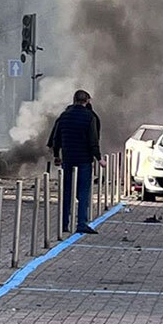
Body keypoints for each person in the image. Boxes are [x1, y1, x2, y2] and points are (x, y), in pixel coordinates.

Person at [48, 90, 105, 234]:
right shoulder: (89, 117)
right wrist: (99, 158)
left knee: (67, 191)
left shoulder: (64, 116)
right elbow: (93, 140)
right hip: (84, 160)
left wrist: (56, 155)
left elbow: (56, 137)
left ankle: (64, 224)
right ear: (87, 101)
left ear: (74, 100)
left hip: (68, 159)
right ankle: (81, 223)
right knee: (83, 192)